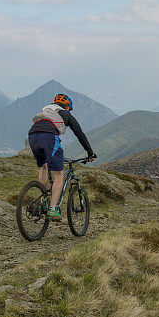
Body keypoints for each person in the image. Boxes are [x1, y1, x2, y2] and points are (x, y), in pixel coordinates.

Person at [28, 93, 96, 221]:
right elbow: (79, 134)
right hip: (48, 137)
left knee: (44, 167)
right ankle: (53, 209)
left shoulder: (46, 109)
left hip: (32, 136)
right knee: (59, 174)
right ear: (67, 106)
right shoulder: (66, 113)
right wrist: (90, 152)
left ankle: (42, 201)